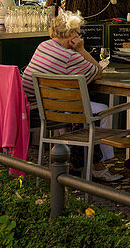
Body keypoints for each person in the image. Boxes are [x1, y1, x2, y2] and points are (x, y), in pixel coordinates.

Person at [21, 11, 122, 182]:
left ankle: (79, 162)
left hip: (33, 108)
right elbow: (97, 72)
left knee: (80, 108)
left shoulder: (43, 46)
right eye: (77, 32)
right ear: (71, 34)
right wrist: (81, 49)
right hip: (56, 113)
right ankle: (101, 164)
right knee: (103, 111)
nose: (79, 35)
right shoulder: (70, 56)